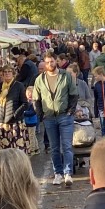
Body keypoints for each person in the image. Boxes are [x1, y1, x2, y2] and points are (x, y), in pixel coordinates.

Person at [34, 53, 78, 187]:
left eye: (52, 61)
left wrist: (71, 110)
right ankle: (58, 173)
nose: (49, 64)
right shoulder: (40, 79)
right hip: (49, 118)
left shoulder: (66, 76)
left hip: (65, 115)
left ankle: (68, 173)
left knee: (66, 146)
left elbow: (74, 94)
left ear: (56, 61)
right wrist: (41, 114)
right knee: (54, 148)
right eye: (47, 62)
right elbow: (36, 99)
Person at [0, 65, 30, 152]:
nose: (7, 74)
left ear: (13, 73)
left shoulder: (19, 86)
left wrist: (15, 115)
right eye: (5, 72)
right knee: (5, 149)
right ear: (2, 74)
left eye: (9, 71)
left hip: (16, 122)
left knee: (18, 148)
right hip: (3, 122)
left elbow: (25, 103)